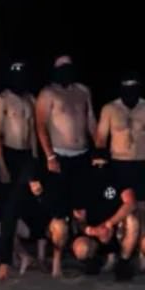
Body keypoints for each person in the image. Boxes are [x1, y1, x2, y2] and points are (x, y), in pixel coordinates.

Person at [95, 70, 145, 270]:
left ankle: (141, 255)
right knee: (117, 210)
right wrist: (100, 167)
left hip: (141, 163)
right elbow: (101, 139)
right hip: (117, 163)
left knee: (141, 210)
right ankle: (113, 254)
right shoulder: (110, 108)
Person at [36, 55, 97, 210]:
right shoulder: (48, 93)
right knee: (59, 207)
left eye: (68, 68)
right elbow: (41, 125)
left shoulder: (83, 91)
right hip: (59, 156)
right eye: (62, 69)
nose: (66, 72)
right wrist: (50, 156)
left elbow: (91, 121)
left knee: (82, 207)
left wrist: (99, 150)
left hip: (82, 155)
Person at [71, 149, 138, 280]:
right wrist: (93, 231)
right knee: (81, 249)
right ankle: (95, 259)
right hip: (93, 234)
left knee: (133, 221)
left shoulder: (118, 177)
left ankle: (123, 262)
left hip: (115, 230)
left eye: (103, 165)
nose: (100, 169)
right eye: (96, 165)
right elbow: (80, 221)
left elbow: (131, 203)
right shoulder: (81, 183)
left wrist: (109, 224)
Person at [0, 159, 69, 280]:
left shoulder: (53, 183)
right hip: (30, 228)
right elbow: (9, 218)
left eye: (36, 182)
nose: (34, 186)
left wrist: (42, 196)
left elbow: (59, 213)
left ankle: (56, 266)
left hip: (48, 227)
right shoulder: (19, 191)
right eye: (31, 183)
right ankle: (24, 256)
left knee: (60, 226)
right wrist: (4, 262)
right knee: (3, 227)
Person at [0, 60, 37, 191]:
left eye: (22, 75)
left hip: (27, 155)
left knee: (28, 195)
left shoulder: (31, 99)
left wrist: (35, 157)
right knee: (9, 196)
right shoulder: (2, 100)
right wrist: (1, 166)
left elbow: (33, 131)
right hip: (9, 153)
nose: (19, 79)